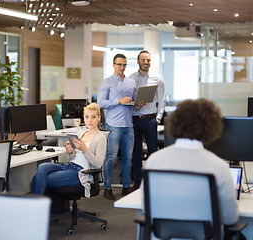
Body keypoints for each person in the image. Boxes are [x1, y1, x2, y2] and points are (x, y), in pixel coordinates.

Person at [144, 98, 239, 226]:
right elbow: (230, 218)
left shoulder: (154, 161)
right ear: (211, 127)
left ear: (174, 123)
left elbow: (146, 207)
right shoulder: (218, 166)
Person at [32, 103, 107, 198]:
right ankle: (39, 208)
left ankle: (35, 209)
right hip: (69, 166)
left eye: (93, 117)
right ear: (83, 118)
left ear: (99, 118)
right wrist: (70, 152)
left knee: (37, 179)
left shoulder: (101, 137)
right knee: (42, 167)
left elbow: (98, 164)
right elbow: (73, 157)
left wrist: (85, 149)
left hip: (80, 172)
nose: (90, 120)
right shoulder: (82, 133)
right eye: (87, 117)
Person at [97, 53, 137, 200]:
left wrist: (138, 104)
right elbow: (100, 103)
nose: (122, 67)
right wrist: (119, 101)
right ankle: (107, 188)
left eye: (124, 64)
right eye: (119, 64)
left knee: (128, 158)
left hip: (129, 125)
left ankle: (126, 187)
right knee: (110, 157)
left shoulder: (131, 83)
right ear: (113, 65)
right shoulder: (106, 82)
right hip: (113, 125)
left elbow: (134, 104)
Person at [130, 50, 165, 190]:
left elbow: (162, 100)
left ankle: (153, 181)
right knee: (136, 152)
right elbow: (128, 99)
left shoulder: (157, 79)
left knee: (153, 151)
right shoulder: (131, 78)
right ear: (138, 61)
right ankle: (137, 181)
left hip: (150, 119)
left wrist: (158, 118)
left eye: (148, 60)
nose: (146, 63)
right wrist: (134, 103)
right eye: (143, 60)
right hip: (135, 119)